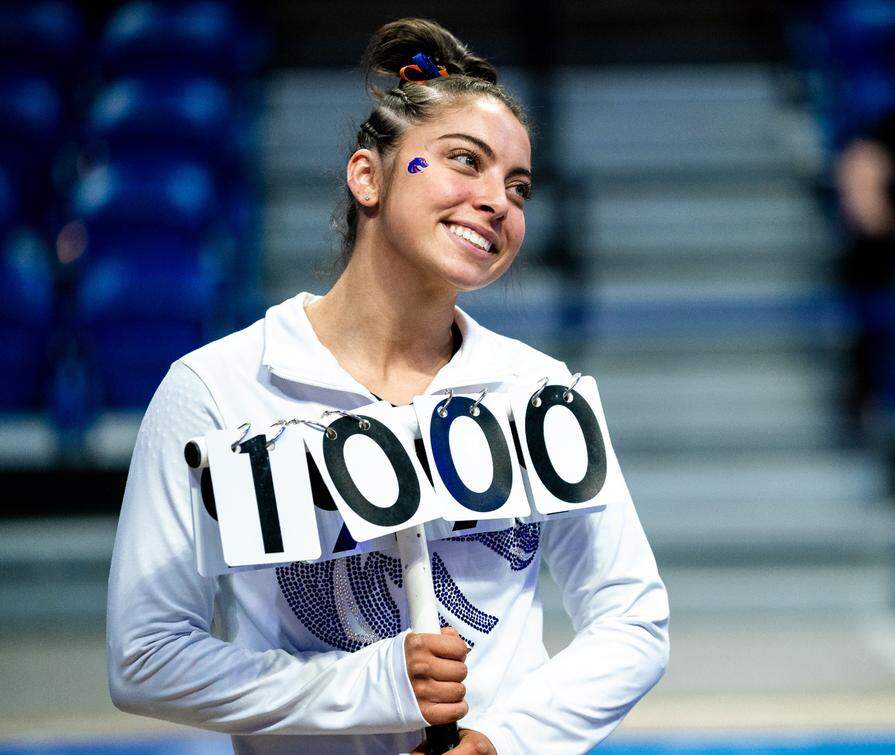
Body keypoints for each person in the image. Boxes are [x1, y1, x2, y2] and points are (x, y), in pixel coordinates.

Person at [105, 18, 670, 755]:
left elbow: (633, 616)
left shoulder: (536, 389)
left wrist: (505, 741)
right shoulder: (218, 389)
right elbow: (145, 655)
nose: (498, 201)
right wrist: (368, 685)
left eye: (518, 187)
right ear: (368, 175)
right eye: (464, 161)